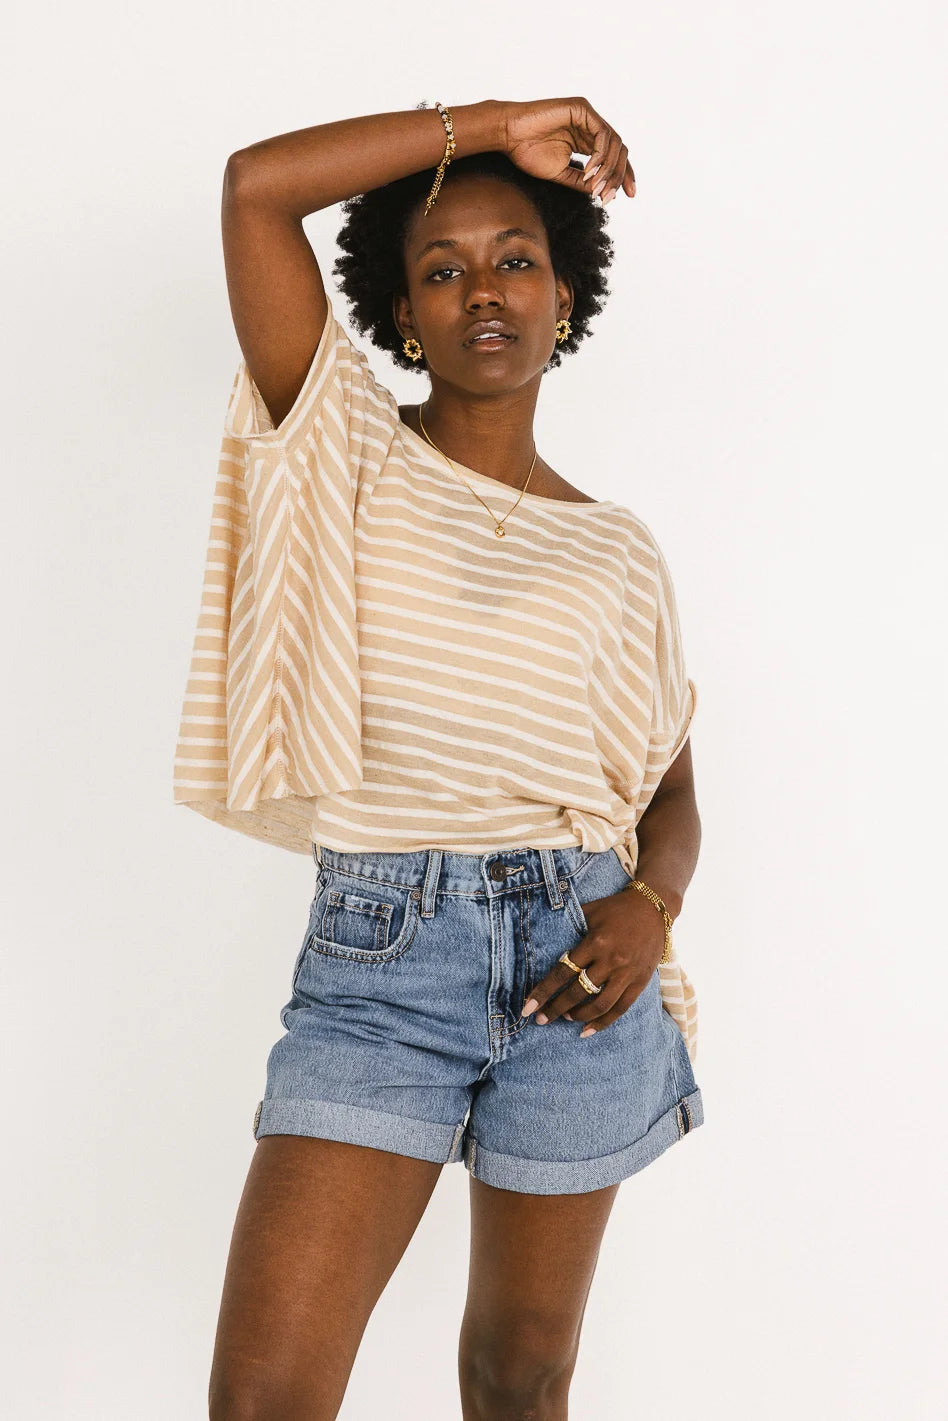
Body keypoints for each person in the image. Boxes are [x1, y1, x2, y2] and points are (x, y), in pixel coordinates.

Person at [175, 96, 705, 1421]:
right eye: (444, 267)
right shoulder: (343, 446)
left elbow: (670, 791)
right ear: (404, 310)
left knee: (519, 1377)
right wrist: (498, 127)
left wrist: (650, 905)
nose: (484, 289)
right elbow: (255, 190)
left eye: (516, 259)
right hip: (383, 960)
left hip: (582, 960)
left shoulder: (619, 548)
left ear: (564, 295)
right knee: (263, 1398)